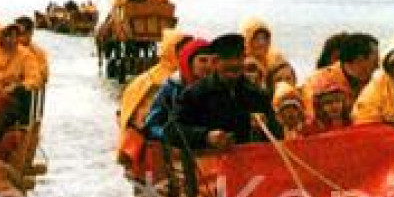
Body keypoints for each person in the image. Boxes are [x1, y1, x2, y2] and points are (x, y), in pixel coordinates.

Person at [171, 33, 279, 150]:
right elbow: (172, 131)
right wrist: (205, 137)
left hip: (250, 163)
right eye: (227, 59)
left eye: (238, 58)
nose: (234, 63)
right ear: (215, 62)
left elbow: (277, 136)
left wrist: (265, 125)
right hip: (206, 164)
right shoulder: (195, 94)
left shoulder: (258, 95)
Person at [117, 28, 193, 166]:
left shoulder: (195, 76)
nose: (186, 54)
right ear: (171, 50)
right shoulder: (153, 81)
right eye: (181, 50)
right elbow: (141, 119)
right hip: (157, 143)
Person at [301, 32, 378, 127]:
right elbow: (311, 121)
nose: (378, 66)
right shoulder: (317, 82)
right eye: (375, 61)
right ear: (360, 60)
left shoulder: (377, 81)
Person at [143, 37, 212, 142]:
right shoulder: (172, 87)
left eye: (213, 61)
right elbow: (152, 125)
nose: (209, 66)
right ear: (189, 62)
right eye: (203, 60)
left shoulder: (217, 87)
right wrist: (172, 137)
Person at [242, 17, 296, 91]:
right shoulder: (243, 64)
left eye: (264, 38)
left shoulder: (276, 57)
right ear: (247, 40)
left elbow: (289, 76)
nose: (261, 43)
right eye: (256, 39)